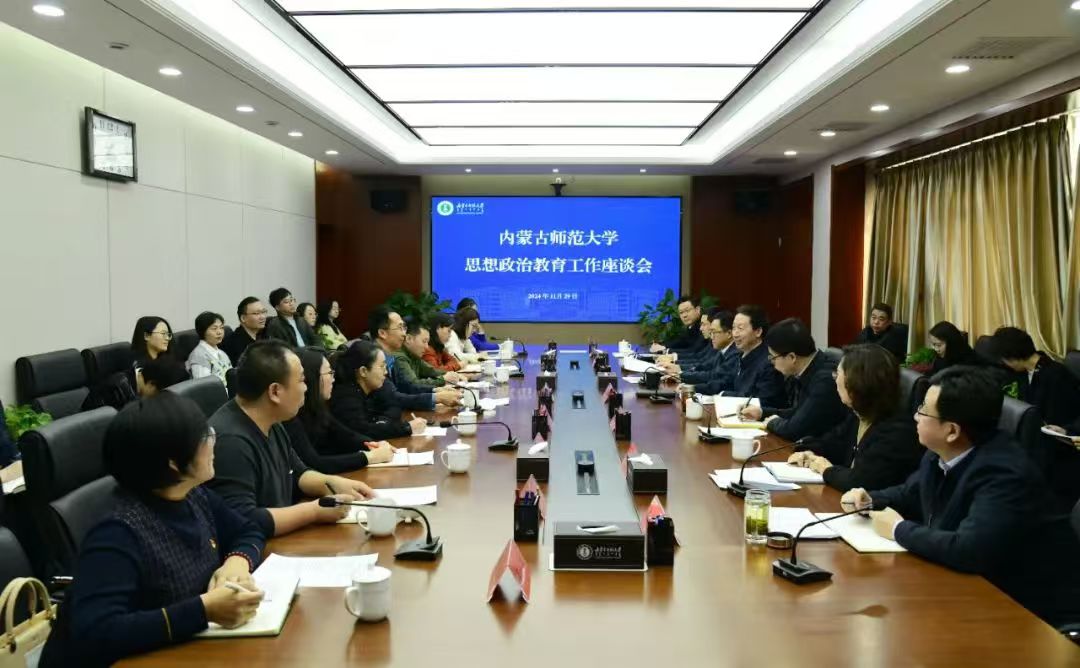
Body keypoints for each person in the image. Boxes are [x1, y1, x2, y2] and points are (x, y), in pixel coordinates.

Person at [841, 367, 1080, 628]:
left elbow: (969, 550)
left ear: (952, 431)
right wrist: (870, 499)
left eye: (923, 410)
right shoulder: (942, 452)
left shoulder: (1004, 474)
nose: (915, 416)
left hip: (1027, 612)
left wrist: (898, 529)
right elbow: (910, 492)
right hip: (968, 588)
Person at [39, 393, 266, 667]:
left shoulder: (192, 495)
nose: (213, 442)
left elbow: (249, 530)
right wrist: (204, 610)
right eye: (204, 436)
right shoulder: (117, 533)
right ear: (173, 463)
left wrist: (237, 562)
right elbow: (96, 633)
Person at [206, 340, 374, 537]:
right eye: (302, 380)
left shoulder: (271, 419)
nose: (306, 388)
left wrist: (331, 483)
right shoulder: (231, 442)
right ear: (275, 392)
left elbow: (298, 472)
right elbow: (243, 519)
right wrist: (313, 512)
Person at [786, 344, 922, 492]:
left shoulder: (897, 431)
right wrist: (809, 452)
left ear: (857, 383)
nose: (834, 379)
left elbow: (860, 481)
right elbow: (832, 443)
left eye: (838, 374)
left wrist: (826, 469)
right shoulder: (859, 414)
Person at [282, 348, 394, 473]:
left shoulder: (318, 409)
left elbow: (346, 435)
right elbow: (314, 464)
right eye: (329, 373)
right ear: (311, 378)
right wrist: (369, 457)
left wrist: (373, 444)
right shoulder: (290, 417)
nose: (333, 379)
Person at [739, 318, 846, 440]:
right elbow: (798, 413)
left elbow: (795, 429)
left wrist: (772, 422)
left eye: (773, 357)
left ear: (792, 357)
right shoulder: (810, 369)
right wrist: (762, 412)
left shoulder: (825, 381)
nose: (771, 362)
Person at [330, 340, 430, 440]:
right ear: (363, 371)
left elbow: (394, 405)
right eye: (381, 366)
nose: (385, 372)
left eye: (385, 366)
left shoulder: (374, 386)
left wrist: (382, 423)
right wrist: (407, 428)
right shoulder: (345, 397)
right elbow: (364, 431)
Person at [369, 306, 461, 407]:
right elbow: (396, 396)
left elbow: (403, 391)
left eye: (404, 328)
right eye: (400, 328)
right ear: (382, 333)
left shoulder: (390, 357)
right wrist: (437, 397)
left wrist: (435, 390)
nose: (404, 334)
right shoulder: (372, 359)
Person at [992, 326, 1080, 426]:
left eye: (1004, 361)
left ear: (1012, 358)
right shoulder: (1024, 372)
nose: (1005, 364)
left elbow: (1059, 417)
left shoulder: (1056, 375)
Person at [721, 304, 786, 408]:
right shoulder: (740, 355)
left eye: (740, 328)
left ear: (758, 331)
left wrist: (724, 395)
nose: (735, 334)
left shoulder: (769, 362)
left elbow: (764, 402)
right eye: (733, 328)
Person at [676, 310, 740, 396]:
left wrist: (691, 386)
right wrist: (679, 373)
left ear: (729, 333)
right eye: (711, 332)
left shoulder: (735, 354)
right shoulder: (722, 350)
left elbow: (715, 377)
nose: (712, 336)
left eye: (714, 332)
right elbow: (704, 366)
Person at [394, 320, 464, 390]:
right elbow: (413, 384)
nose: (427, 347)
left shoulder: (414, 355)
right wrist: (443, 379)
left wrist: (453, 375)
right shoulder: (400, 358)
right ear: (409, 339)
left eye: (427, 342)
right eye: (424, 341)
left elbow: (432, 370)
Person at [186, 311, 232, 384]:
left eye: (221, 328)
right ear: (203, 331)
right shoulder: (199, 355)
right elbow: (203, 385)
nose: (219, 332)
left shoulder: (222, 353)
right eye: (214, 328)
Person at [221, 297, 267, 365]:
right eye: (257, 313)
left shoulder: (265, 337)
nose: (262, 317)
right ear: (243, 318)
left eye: (263, 312)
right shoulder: (232, 343)